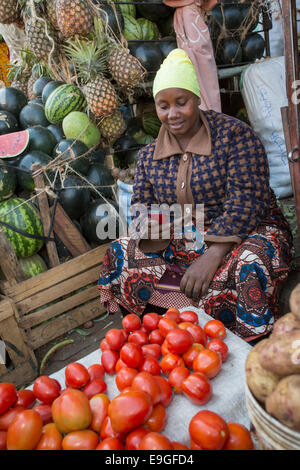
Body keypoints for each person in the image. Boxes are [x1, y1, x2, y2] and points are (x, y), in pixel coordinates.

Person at [98, 49, 293, 342]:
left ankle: (251, 343)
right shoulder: (149, 155)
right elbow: (140, 206)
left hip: (251, 228)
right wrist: (153, 228)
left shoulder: (234, 136)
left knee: (248, 262)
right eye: (163, 106)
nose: (172, 114)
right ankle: (154, 329)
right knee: (120, 251)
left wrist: (213, 254)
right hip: (187, 233)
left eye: (181, 102)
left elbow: (248, 199)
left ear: (197, 99)